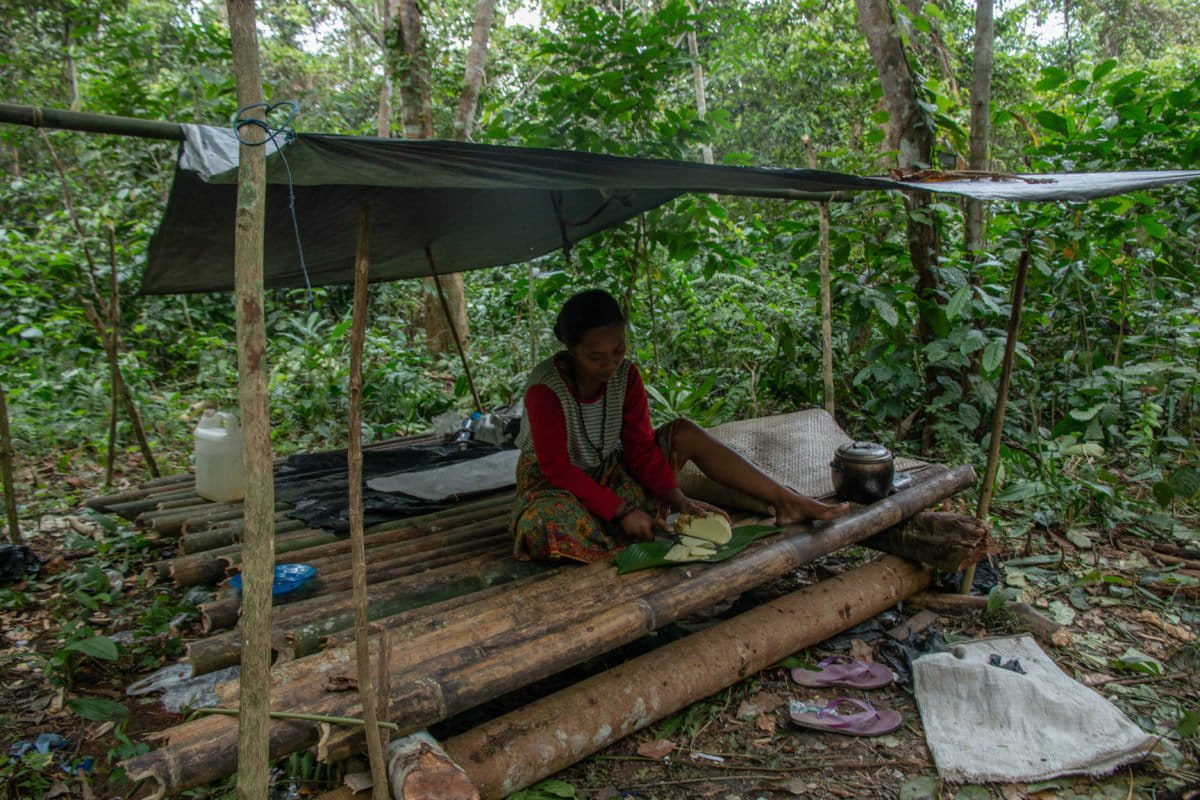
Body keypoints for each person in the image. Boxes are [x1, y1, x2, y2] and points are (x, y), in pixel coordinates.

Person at [511, 288, 848, 563]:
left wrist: (677, 498)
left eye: (618, 351)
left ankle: (784, 501)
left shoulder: (626, 377)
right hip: (554, 483)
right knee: (547, 523)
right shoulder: (546, 389)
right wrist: (621, 510)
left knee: (684, 432)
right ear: (570, 349)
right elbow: (557, 468)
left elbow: (640, 448)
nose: (610, 364)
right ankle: (624, 527)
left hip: (608, 470)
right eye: (596, 357)